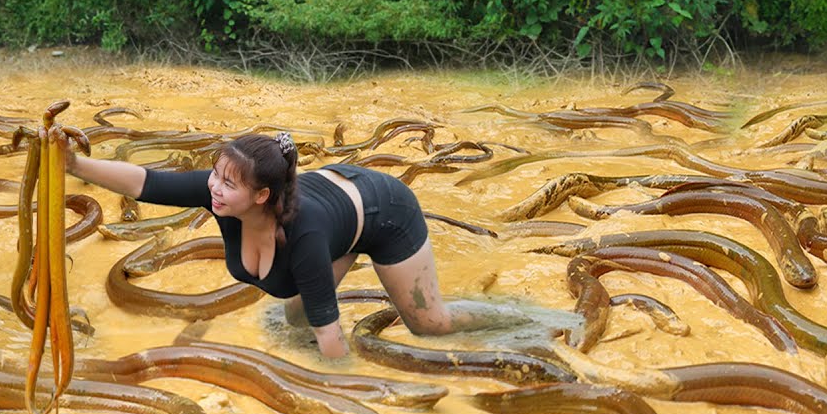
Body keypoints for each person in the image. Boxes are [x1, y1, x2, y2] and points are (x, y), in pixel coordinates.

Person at [70, 131, 537, 359]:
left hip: (384, 210)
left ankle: (527, 320)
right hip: (338, 203)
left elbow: (332, 343)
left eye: (226, 183)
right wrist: (74, 163)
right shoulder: (222, 196)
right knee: (294, 319)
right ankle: (345, 242)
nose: (213, 187)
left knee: (431, 325)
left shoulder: (305, 238)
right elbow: (146, 182)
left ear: (261, 196)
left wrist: (337, 395)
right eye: (214, 174)